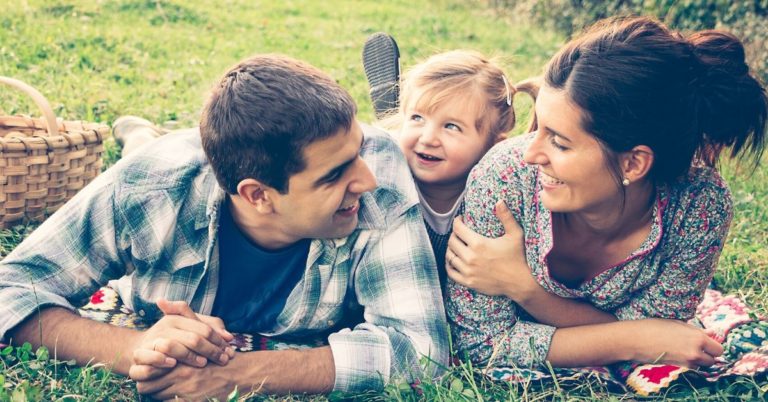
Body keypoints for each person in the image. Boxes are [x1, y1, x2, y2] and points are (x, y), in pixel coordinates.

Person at [0, 54, 448, 399]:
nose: (365, 180)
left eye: (359, 151)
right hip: (173, 164)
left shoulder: (380, 174)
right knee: (145, 150)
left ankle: (142, 131)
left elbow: (423, 352)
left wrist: (237, 374)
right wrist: (136, 348)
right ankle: (139, 136)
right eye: (333, 176)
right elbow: (12, 288)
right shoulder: (148, 186)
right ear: (258, 195)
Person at [445, 16, 767, 369]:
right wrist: (637, 338)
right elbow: (482, 344)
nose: (530, 153)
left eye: (560, 142)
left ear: (633, 164)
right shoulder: (505, 177)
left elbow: (661, 333)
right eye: (539, 127)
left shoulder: (699, 207)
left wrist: (525, 290)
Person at [374, 49, 519, 287]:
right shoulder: (387, 179)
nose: (429, 138)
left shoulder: (497, 199)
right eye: (417, 118)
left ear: (494, 147)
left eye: (451, 126)